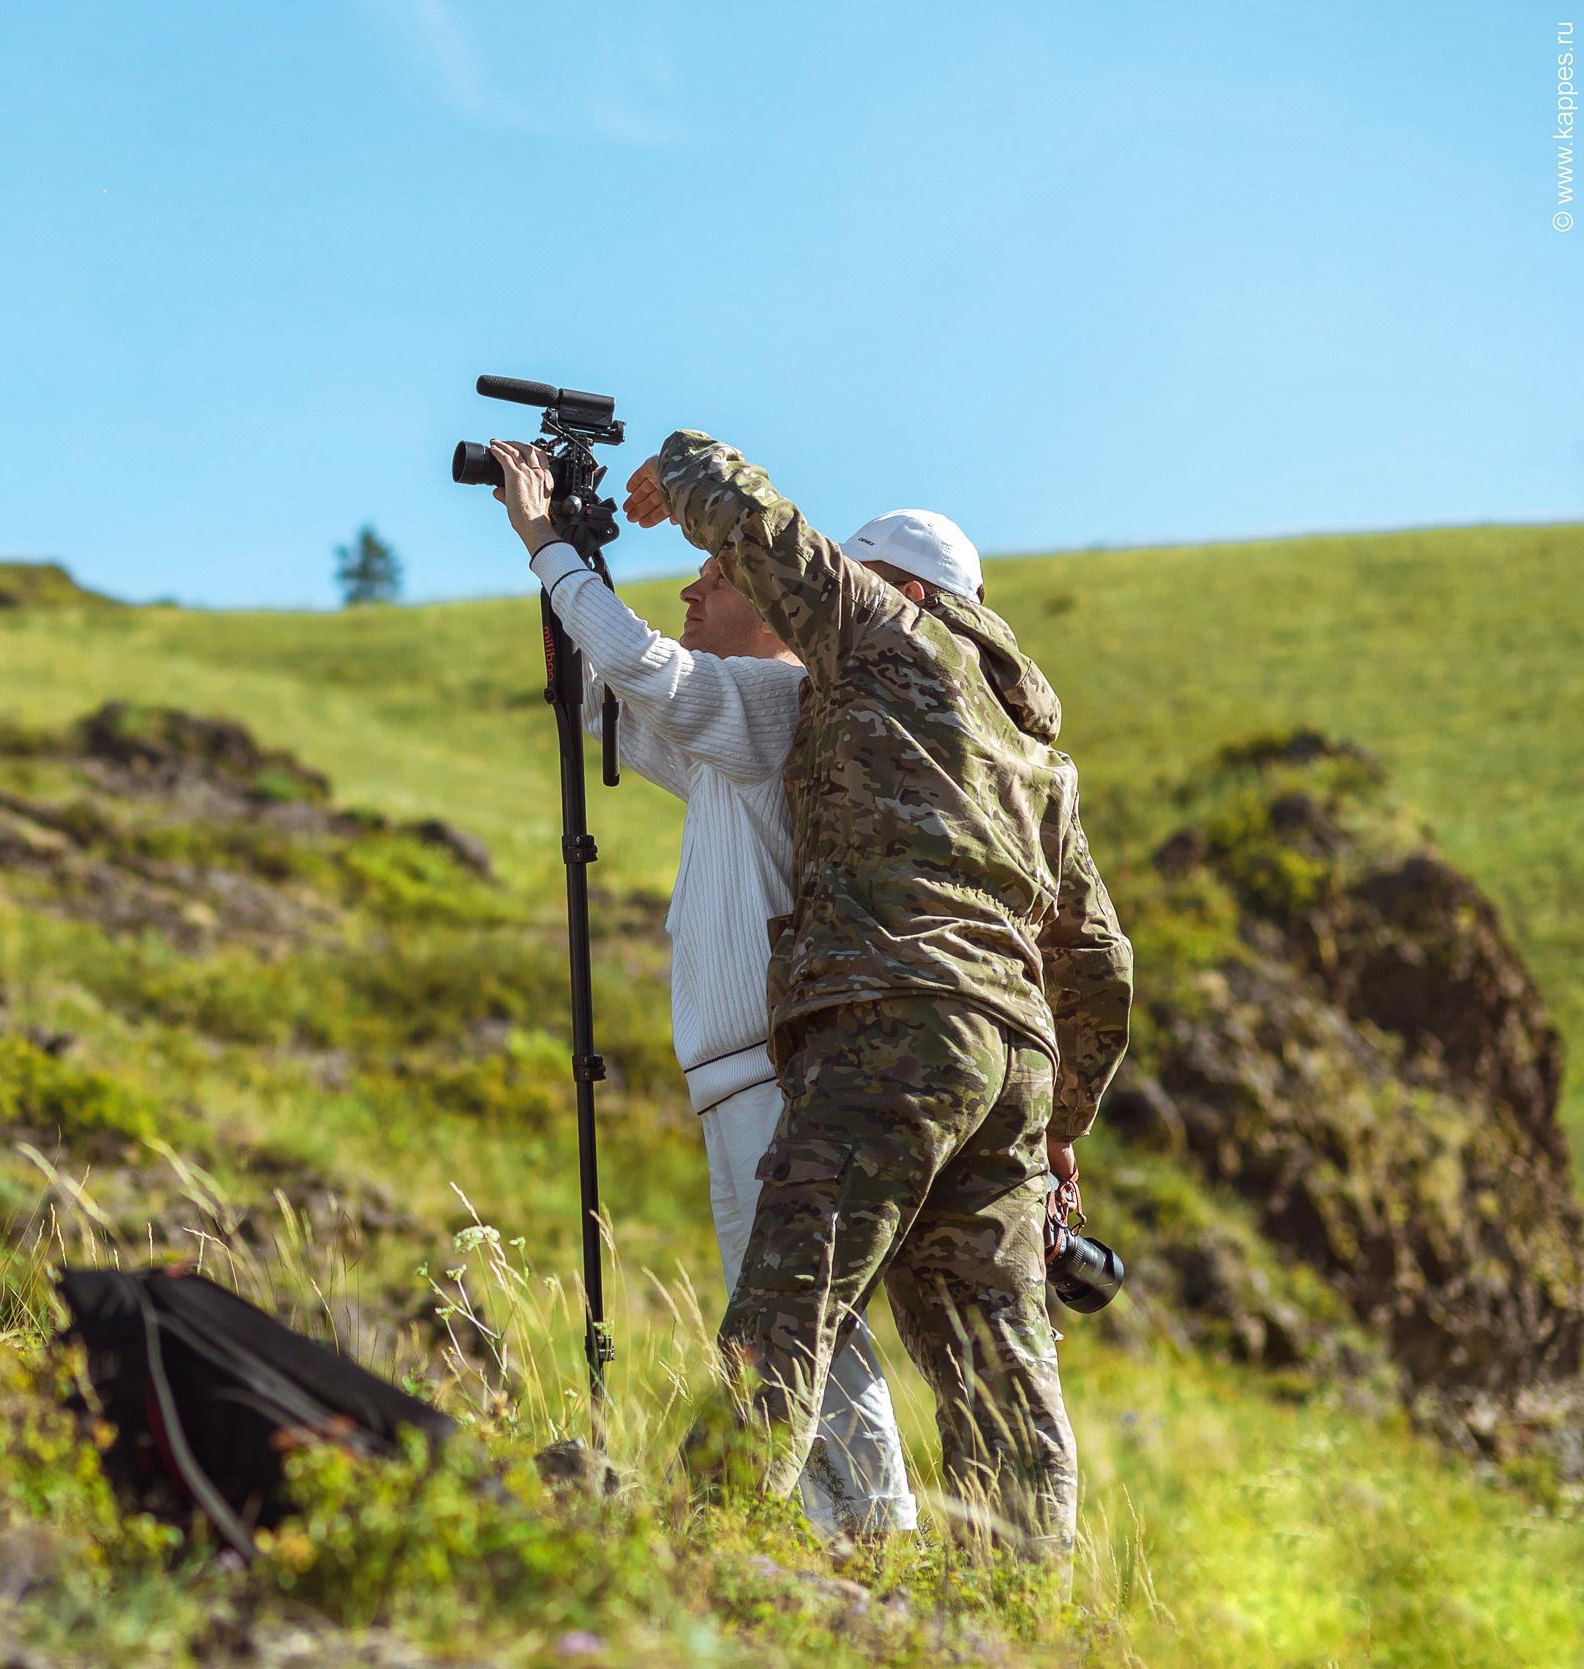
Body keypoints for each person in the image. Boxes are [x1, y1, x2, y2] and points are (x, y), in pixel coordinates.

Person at [622, 431, 1133, 1561]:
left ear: (904, 587)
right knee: (999, 1363)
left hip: (888, 1024)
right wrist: (1059, 1129)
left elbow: (753, 519)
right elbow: (1097, 958)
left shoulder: (882, 634)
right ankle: (1024, 1609)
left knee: (789, 1304)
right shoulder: (1039, 757)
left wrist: (675, 467)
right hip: (1010, 1066)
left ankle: (707, 1554)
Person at [486, 439, 918, 1538]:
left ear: (779, 608)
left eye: (717, 576)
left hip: (768, 1075)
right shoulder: (750, 728)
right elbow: (602, 707)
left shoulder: (777, 697)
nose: (692, 586)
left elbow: (646, 675)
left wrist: (547, 548)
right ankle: (849, 1537)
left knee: (801, 1326)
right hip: (744, 1074)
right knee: (794, 1324)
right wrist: (573, 567)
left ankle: (874, 1534)